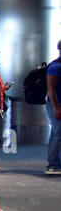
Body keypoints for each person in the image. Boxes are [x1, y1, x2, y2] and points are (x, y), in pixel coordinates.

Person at [46, 38, 61, 176]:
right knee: (58, 134)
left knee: (56, 134)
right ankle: (53, 165)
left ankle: (55, 163)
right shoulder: (55, 67)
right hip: (56, 104)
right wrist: (56, 107)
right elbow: (51, 89)